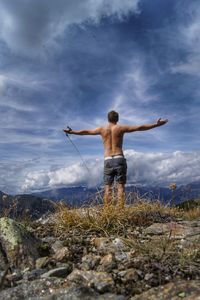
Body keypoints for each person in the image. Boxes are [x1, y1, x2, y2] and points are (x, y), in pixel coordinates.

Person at [63, 111, 168, 208]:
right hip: (119, 158)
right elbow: (139, 127)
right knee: (120, 187)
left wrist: (72, 132)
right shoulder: (120, 128)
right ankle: (120, 210)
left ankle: (107, 210)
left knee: (107, 188)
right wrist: (156, 125)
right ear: (117, 119)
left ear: (108, 119)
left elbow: (85, 132)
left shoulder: (101, 129)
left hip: (107, 159)